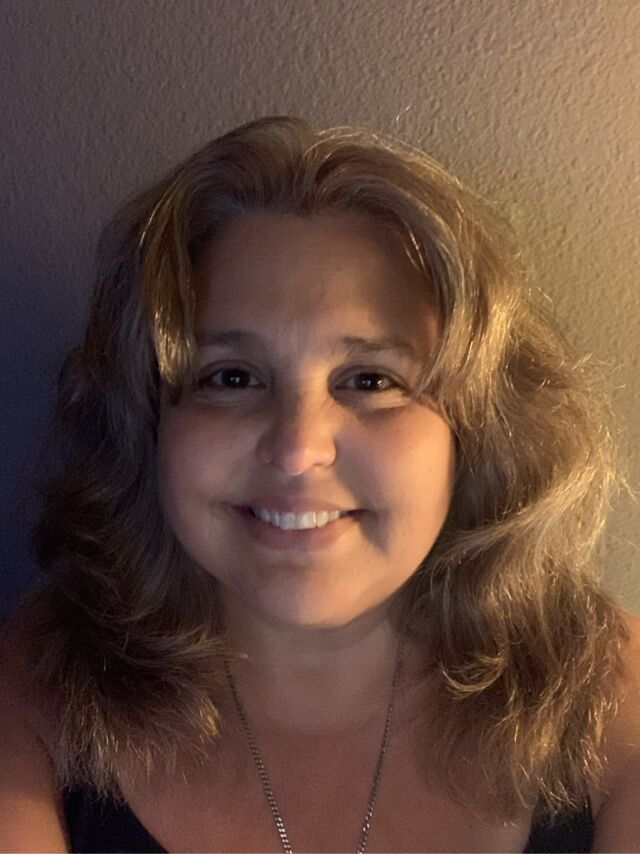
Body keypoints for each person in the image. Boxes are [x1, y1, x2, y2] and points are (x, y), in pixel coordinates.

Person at [1, 115, 639, 853]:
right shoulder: (42, 684)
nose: (297, 448)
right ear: (149, 421)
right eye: (230, 377)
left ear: (476, 428)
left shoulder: (610, 696)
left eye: (370, 380)